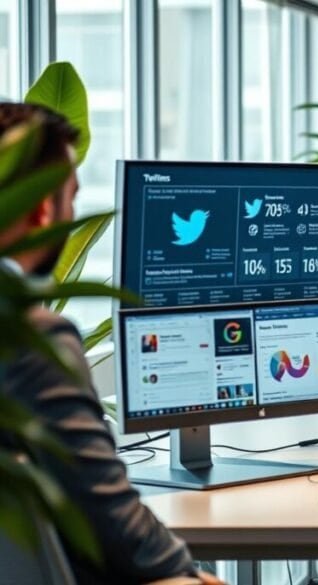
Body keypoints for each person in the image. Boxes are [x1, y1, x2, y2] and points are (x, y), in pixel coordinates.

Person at [0, 103, 222, 585]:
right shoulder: (28, 336)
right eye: (70, 198)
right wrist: (185, 574)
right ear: (43, 209)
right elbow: (113, 520)